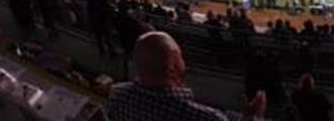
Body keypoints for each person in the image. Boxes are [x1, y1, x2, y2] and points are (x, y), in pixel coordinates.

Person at [108, 31, 265, 121]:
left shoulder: (117, 95)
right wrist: (253, 118)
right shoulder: (205, 117)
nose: (184, 63)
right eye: (180, 57)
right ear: (171, 69)